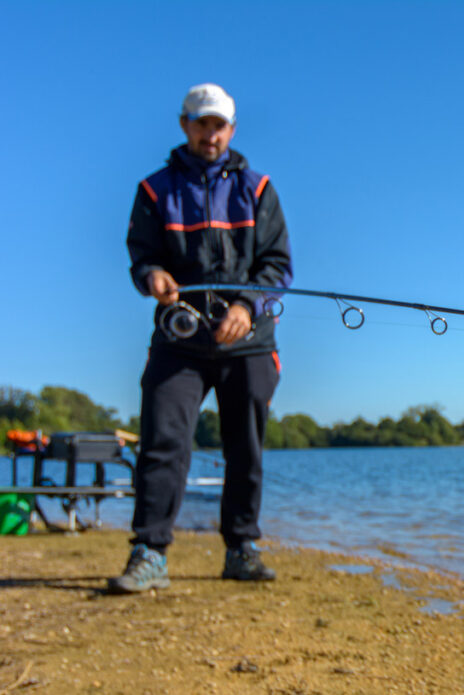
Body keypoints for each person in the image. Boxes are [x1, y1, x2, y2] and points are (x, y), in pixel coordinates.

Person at [111, 83, 293, 593]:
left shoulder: (258, 189)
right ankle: (149, 552)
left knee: (247, 448)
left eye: (219, 125)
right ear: (184, 124)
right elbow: (141, 255)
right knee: (163, 442)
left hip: (249, 340)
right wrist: (150, 277)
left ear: (231, 130)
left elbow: (277, 265)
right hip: (179, 340)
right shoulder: (154, 190)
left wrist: (245, 305)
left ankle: (241, 548)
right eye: (200, 122)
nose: (209, 133)